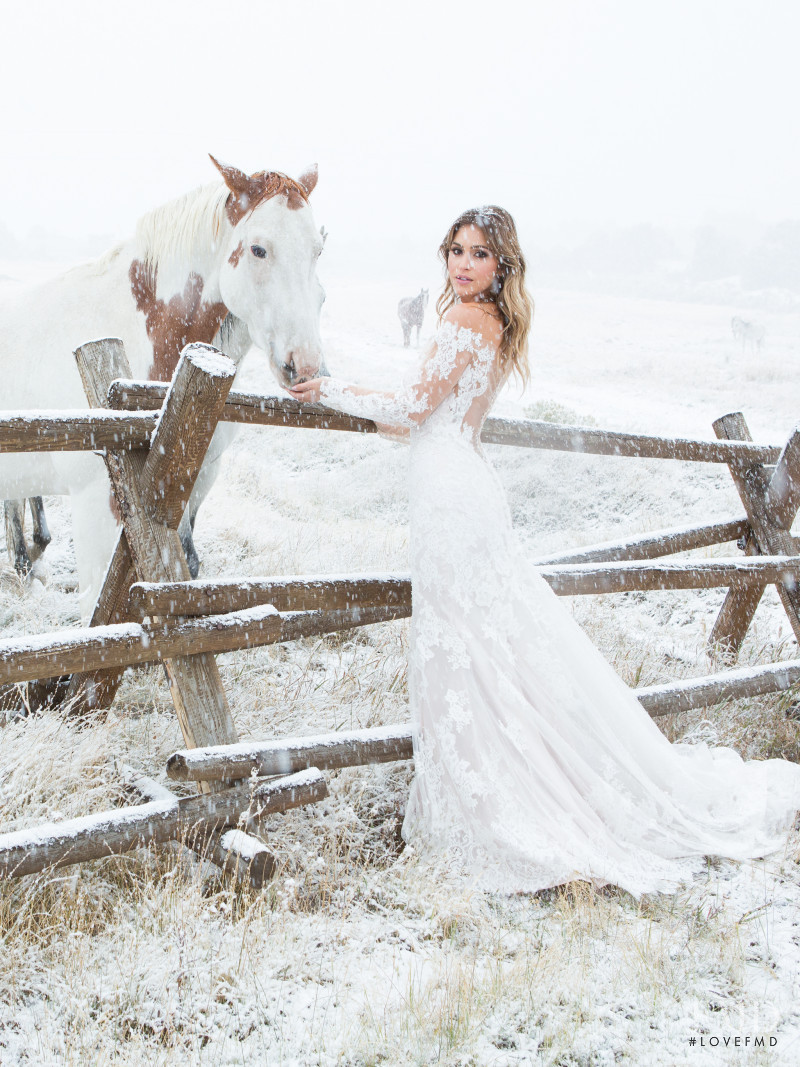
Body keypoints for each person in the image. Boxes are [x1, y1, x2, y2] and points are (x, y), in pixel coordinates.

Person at [288, 207, 800, 896]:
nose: (463, 264)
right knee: (484, 644)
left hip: (452, 499)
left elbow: (411, 409)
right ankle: (518, 781)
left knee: (466, 645)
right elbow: (417, 421)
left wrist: (330, 389)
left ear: (503, 265)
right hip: (458, 485)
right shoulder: (496, 324)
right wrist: (344, 395)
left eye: (479, 254)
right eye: (455, 251)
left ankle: (495, 804)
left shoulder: (465, 322)